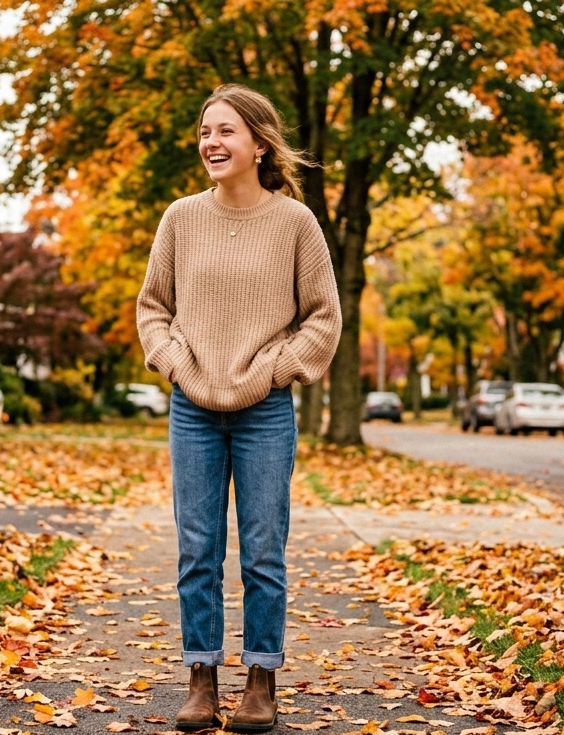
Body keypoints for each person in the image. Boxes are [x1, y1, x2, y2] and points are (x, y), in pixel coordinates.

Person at [136, 84, 342, 733]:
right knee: (197, 548)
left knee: (262, 551)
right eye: (204, 131)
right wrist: (175, 362)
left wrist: (276, 369)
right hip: (192, 408)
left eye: (225, 131)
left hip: (265, 411)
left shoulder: (295, 223)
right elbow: (153, 308)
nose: (211, 143)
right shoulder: (180, 217)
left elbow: (323, 318)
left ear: (259, 141)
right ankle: (202, 679)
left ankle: (260, 681)